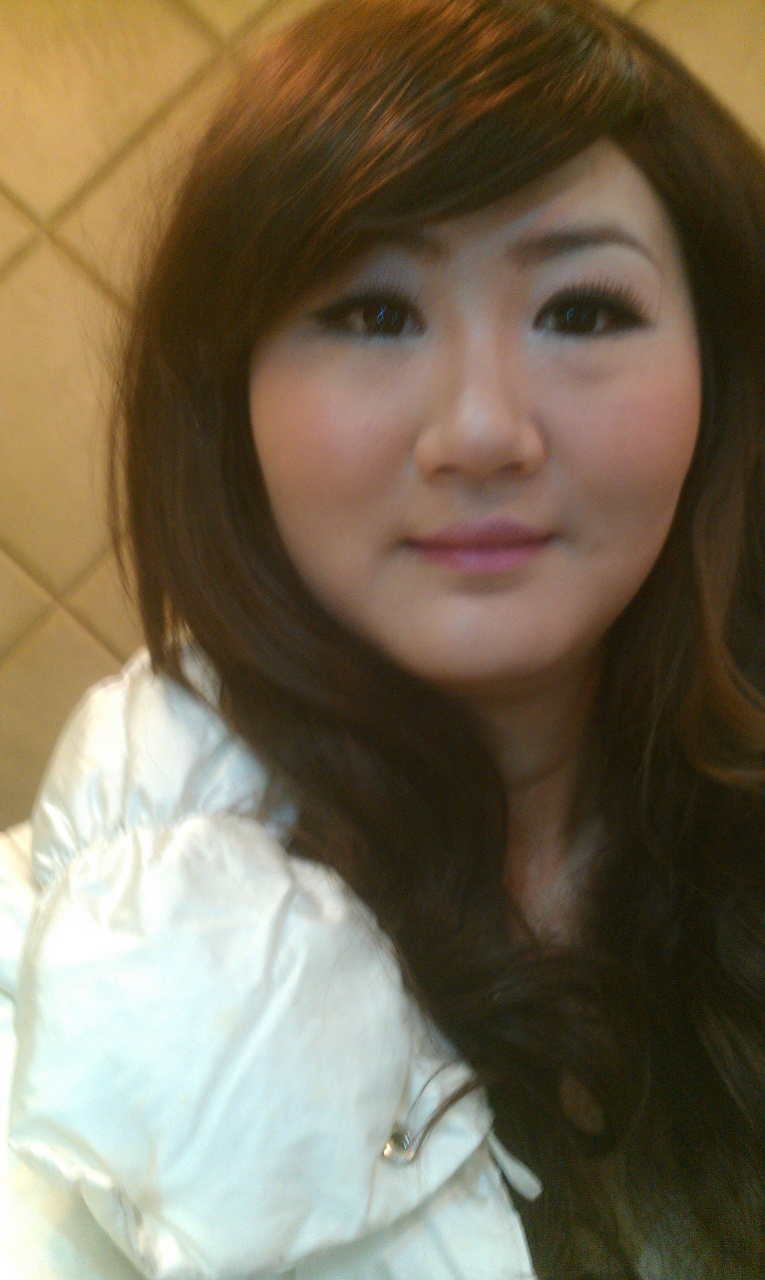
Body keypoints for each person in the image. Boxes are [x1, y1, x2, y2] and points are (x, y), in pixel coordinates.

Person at [2, 0, 765, 1275]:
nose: (481, 431)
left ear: (723, 376)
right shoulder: (72, 971)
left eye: (582, 311)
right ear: (231, 395)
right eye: (370, 313)